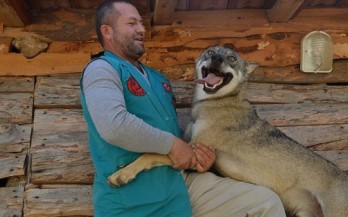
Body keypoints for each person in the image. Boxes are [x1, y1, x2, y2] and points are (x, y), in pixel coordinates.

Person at [80, 0, 287, 216]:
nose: (141, 29)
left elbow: (173, 138)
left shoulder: (158, 79)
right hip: (132, 194)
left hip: (179, 183)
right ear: (107, 31)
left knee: (265, 202)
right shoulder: (101, 69)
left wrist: (196, 158)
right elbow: (113, 126)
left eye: (141, 23)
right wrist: (173, 146)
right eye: (132, 24)